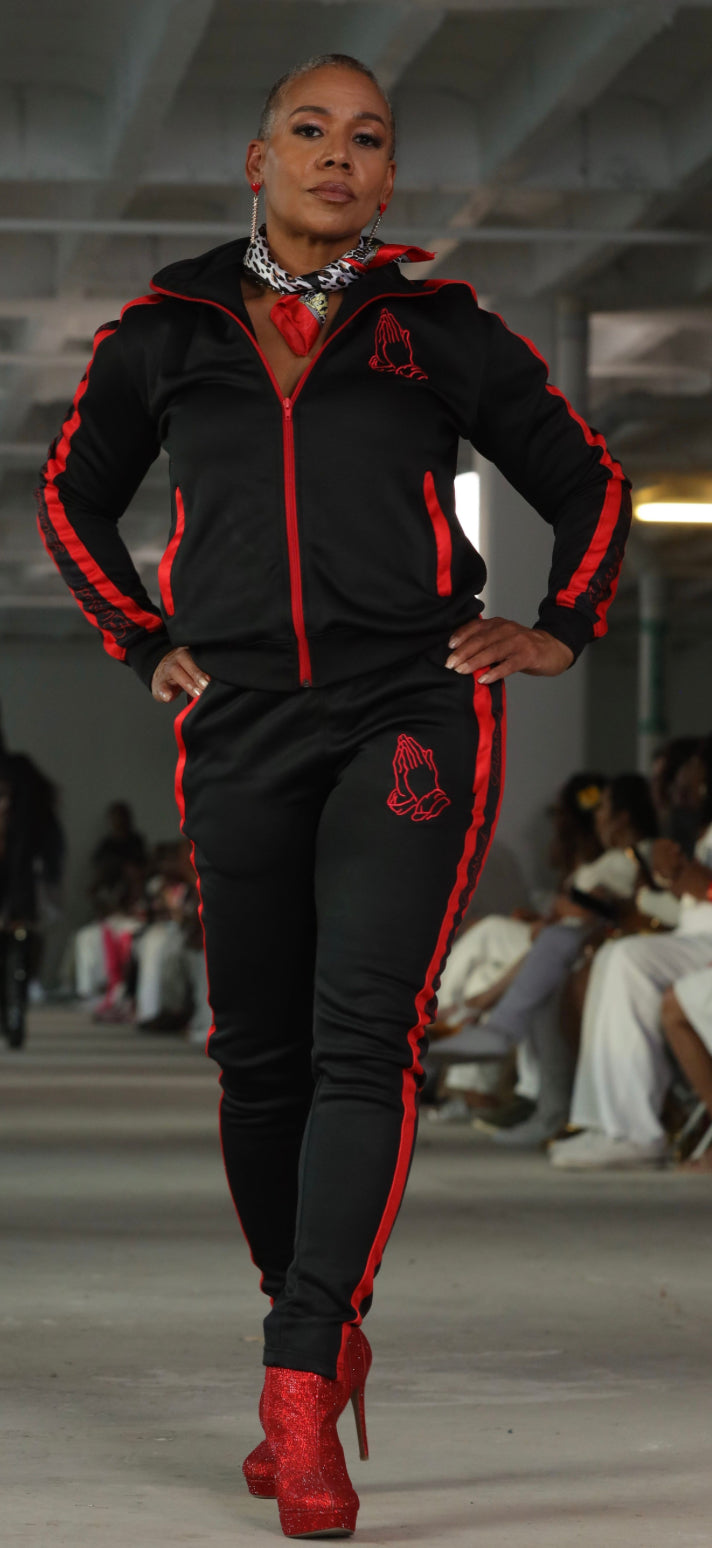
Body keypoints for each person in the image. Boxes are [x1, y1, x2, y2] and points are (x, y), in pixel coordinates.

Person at [36, 53, 630, 1538]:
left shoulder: (439, 329)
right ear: (257, 161)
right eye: (310, 131)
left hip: (409, 706)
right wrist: (142, 639)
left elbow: (591, 483)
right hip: (238, 718)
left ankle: (298, 1382)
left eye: (367, 139)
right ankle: (311, 1313)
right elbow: (71, 493)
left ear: (388, 178)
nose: (338, 156)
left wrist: (562, 627)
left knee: (366, 1036)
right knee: (259, 1056)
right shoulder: (164, 332)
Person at [551, 738, 712, 1171]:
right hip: (695, 935)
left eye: (694, 775)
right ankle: (607, 1122)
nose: (686, 785)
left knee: (628, 960)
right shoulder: (700, 830)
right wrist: (678, 876)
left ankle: (637, 1131)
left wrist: (688, 878)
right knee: (615, 957)